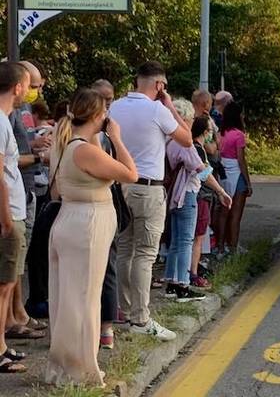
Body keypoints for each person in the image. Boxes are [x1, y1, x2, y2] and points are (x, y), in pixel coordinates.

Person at [46, 88, 137, 386]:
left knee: (65, 296)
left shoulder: (67, 143)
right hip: (88, 224)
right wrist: (118, 138)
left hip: (68, 220)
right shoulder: (85, 150)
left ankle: (64, 360)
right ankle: (83, 367)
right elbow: (130, 173)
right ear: (98, 116)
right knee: (85, 298)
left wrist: (100, 134)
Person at [111, 61, 192, 341]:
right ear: (159, 85)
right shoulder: (158, 109)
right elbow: (187, 139)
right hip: (148, 187)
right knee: (145, 254)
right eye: (164, 87)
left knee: (124, 248)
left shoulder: (116, 107)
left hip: (120, 185)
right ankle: (141, 317)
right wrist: (169, 105)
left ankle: (122, 309)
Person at [164, 99, 231, 300]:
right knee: (186, 240)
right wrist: (221, 191)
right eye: (191, 117)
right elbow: (201, 171)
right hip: (187, 194)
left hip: (173, 195)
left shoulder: (168, 140)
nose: (193, 121)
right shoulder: (184, 143)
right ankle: (183, 285)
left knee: (175, 241)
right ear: (183, 118)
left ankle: (170, 281)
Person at [6, 61, 49, 337]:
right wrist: (37, 156)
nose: (35, 91)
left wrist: (35, 143)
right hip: (16, 191)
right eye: (32, 86)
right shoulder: (6, 114)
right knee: (13, 262)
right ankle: (12, 319)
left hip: (27, 188)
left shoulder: (22, 110)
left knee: (19, 257)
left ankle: (17, 313)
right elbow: (7, 160)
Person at [0, 62, 30, 374]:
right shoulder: (0, 122)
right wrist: (7, 217)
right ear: (17, 87)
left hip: (12, 211)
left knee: (7, 284)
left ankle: (3, 346)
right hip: (9, 214)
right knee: (5, 286)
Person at [91, 79, 118, 349]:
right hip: (95, 209)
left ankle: (105, 327)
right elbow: (127, 172)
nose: (108, 104)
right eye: (103, 99)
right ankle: (97, 329)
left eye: (111, 99)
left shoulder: (69, 133)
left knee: (106, 268)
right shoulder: (98, 136)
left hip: (94, 209)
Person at [216, 102, 253, 253]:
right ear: (237, 116)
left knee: (224, 213)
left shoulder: (221, 134)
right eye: (242, 114)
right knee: (236, 215)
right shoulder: (239, 135)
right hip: (237, 175)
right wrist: (248, 183)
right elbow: (241, 159)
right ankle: (233, 247)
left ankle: (220, 246)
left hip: (223, 173)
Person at [191, 114, 217, 288]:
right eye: (210, 131)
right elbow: (204, 174)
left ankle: (190, 271)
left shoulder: (193, 147)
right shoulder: (198, 149)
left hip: (198, 196)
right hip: (201, 196)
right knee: (198, 238)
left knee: (192, 237)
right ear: (205, 131)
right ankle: (192, 273)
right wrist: (220, 192)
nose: (211, 134)